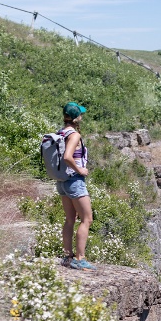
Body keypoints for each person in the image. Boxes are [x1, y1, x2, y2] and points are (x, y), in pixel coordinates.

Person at [56, 102, 96, 271]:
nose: (82, 117)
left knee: (70, 219)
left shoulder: (61, 132)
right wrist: (80, 169)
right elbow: (67, 156)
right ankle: (80, 259)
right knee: (87, 219)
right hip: (74, 181)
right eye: (81, 114)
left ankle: (67, 256)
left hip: (62, 181)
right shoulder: (74, 135)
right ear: (76, 117)